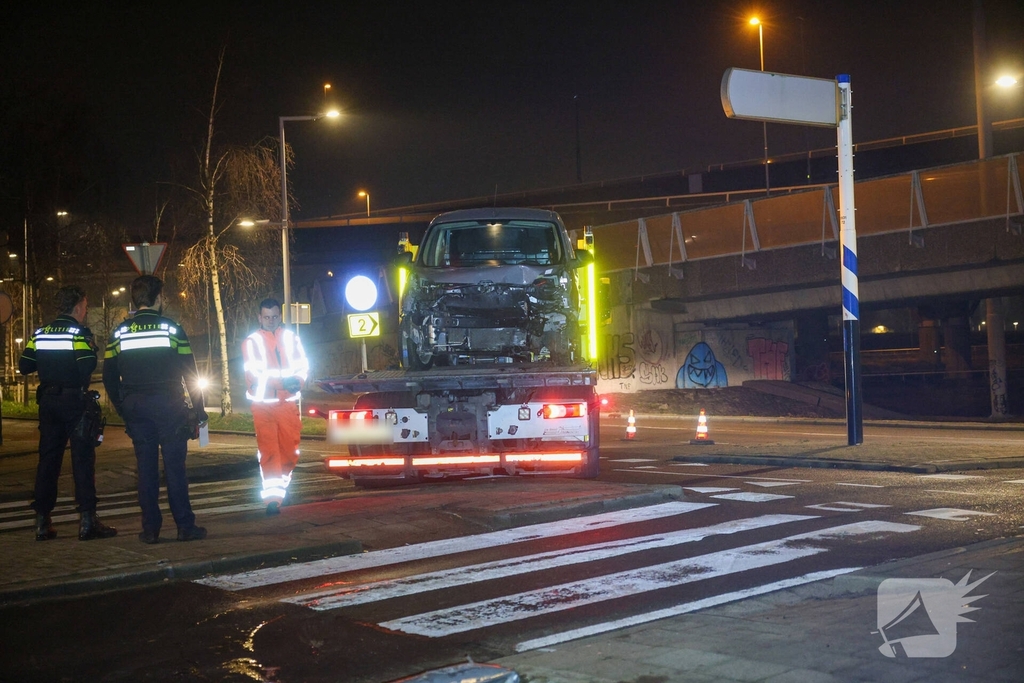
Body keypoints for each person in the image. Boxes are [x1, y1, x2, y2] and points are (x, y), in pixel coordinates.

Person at [102, 275, 207, 544]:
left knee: (145, 470)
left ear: (134, 301)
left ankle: (150, 530)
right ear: (158, 299)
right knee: (175, 468)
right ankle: (185, 526)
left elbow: (109, 377)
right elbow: (190, 372)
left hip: (136, 407)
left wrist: (122, 407)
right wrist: (199, 409)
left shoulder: (119, 333)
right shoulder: (172, 329)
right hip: (169, 405)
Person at [19, 285, 117, 541]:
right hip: (74, 401)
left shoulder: (40, 333)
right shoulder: (78, 333)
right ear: (76, 308)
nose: (85, 312)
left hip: (48, 402)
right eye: (84, 307)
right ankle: (87, 522)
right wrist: (89, 348)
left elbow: (24, 365)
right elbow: (87, 365)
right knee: (82, 461)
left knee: (48, 461)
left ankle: (42, 522)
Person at [242, 298, 309, 515]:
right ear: (259, 318)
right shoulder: (251, 342)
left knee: (290, 451)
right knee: (269, 452)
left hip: (287, 404)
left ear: (279, 316)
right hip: (263, 405)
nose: (271, 321)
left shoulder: (291, 338)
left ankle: (281, 486)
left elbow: (303, 366)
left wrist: (297, 382)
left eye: (274, 316)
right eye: (266, 317)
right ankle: (273, 499)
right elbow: (254, 375)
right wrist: (284, 383)